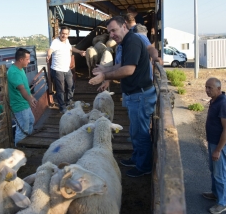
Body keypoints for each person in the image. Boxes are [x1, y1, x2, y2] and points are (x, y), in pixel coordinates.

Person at [89, 16, 157, 178]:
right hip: (136, 95)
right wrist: (105, 71)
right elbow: (121, 65)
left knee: (140, 133)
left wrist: (105, 77)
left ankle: (144, 166)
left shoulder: (132, 42)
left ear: (124, 27)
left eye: (114, 30)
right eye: (109, 32)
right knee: (135, 131)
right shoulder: (127, 43)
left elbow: (128, 70)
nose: (111, 35)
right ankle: (137, 158)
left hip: (140, 96)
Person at [202, 77, 226, 214]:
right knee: (214, 170)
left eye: (210, 88)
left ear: (219, 89)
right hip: (213, 142)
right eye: (206, 87)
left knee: (220, 173)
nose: (207, 90)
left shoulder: (224, 104)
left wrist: (218, 150)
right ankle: (216, 193)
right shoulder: (215, 100)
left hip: (219, 145)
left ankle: (222, 203)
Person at [46, 26, 86, 113]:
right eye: (62, 33)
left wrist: (79, 51)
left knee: (71, 86)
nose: (64, 35)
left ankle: (69, 102)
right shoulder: (55, 42)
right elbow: (50, 49)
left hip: (66, 69)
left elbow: (71, 48)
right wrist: (48, 55)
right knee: (61, 89)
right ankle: (62, 107)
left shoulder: (67, 41)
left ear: (68, 34)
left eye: (66, 34)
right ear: (60, 33)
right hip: (57, 69)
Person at [7, 48, 37, 146]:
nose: (29, 61)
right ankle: (19, 149)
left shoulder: (20, 69)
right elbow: (22, 89)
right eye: (27, 59)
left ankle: (28, 143)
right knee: (22, 129)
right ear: (21, 59)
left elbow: (25, 87)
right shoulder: (14, 72)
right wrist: (30, 99)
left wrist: (31, 97)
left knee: (31, 122)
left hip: (24, 103)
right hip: (19, 105)